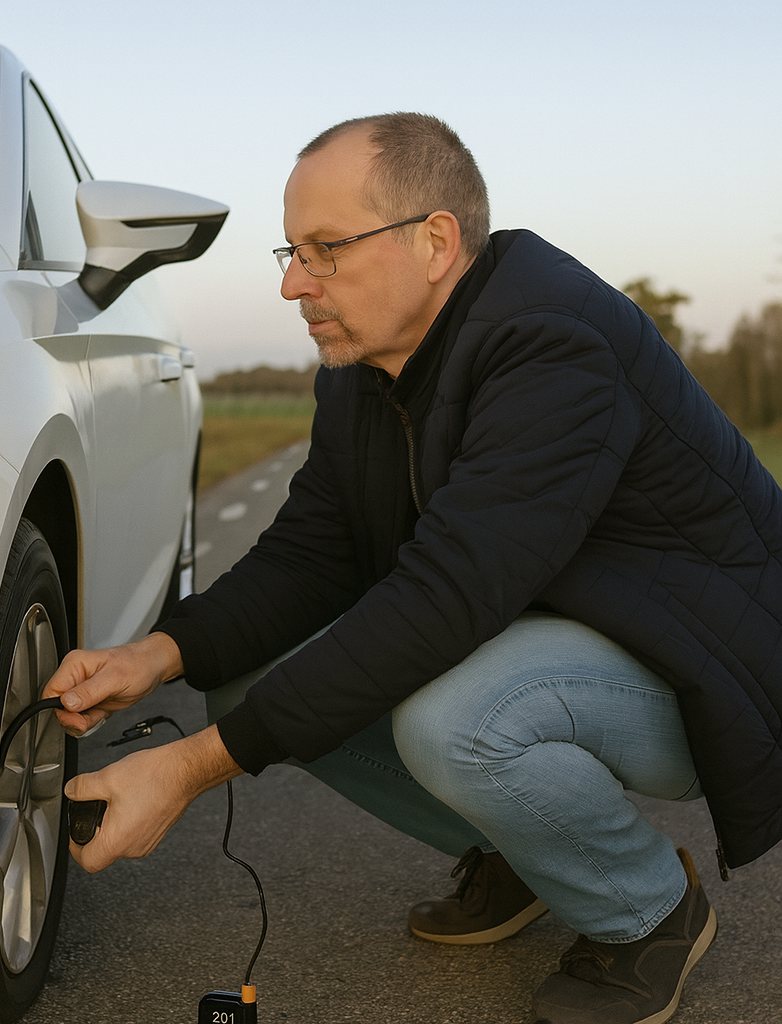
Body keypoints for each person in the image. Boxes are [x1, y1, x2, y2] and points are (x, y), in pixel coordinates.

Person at [43, 113, 782, 1024]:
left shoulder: (553, 342)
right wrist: (158, 653)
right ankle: (532, 857)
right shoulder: (364, 367)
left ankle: (648, 909)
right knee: (238, 679)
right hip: (565, 632)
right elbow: (315, 553)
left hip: (709, 670)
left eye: (325, 249)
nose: (292, 283)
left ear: (435, 241)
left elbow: (447, 597)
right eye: (290, 251)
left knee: (456, 721)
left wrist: (189, 770)